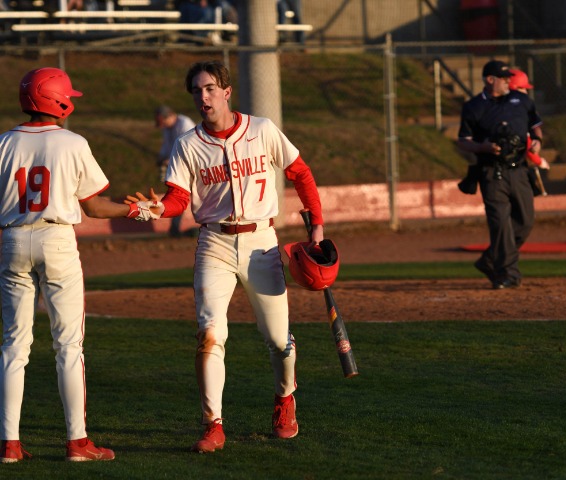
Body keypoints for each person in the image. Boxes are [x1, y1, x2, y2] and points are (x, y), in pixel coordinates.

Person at [132, 60, 324, 453]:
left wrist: (317, 225)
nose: (202, 97)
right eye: (196, 91)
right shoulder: (188, 144)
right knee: (210, 335)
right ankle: (212, 425)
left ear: (226, 91)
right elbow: (178, 198)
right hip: (214, 244)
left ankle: (285, 398)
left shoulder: (261, 129)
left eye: (208, 89)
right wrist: (157, 209)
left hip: (261, 241)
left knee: (279, 341)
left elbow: (300, 172)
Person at [0, 67, 159, 463]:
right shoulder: (72, 142)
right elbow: (94, 207)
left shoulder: (3, 142)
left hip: (13, 239)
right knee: (68, 346)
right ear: (57, 101)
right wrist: (136, 209)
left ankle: (9, 445)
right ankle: (77, 442)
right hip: (56, 240)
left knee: (13, 346)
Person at [456, 60, 543, 289]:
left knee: (525, 221)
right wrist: (482, 147)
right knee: (500, 224)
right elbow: (463, 141)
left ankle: (489, 259)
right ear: (490, 79)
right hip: (491, 173)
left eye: (508, 78)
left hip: (519, 170)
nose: (507, 82)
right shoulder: (474, 106)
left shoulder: (521, 101)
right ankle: (508, 273)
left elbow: (535, 125)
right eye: (503, 78)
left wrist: (537, 141)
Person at [154, 105, 196, 237]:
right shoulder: (168, 128)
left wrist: (170, 159)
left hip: (195, 164)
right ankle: (175, 228)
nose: (163, 126)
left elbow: (188, 147)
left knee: (190, 194)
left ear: (170, 116)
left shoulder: (184, 124)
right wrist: (162, 157)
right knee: (179, 193)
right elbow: (167, 145)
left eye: (164, 122)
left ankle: (177, 228)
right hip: (183, 166)